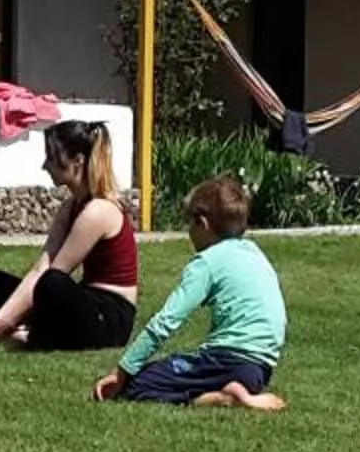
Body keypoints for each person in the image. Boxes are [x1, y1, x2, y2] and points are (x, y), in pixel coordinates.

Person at [92, 175, 288, 411]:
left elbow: (165, 322)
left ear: (202, 223)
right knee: (177, 369)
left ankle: (221, 398)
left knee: (136, 385)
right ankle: (239, 391)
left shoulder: (207, 262)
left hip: (224, 362)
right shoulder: (254, 253)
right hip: (258, 371)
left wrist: (122, 370)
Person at [0, 120, 139, 352]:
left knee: (52, 283)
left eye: (51, 158)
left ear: (78, 161)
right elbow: (40, 268)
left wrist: (7, 320)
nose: (45, 166)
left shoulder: (98, 211)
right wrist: (3, 317)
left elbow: (56, 272)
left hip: (111, 317)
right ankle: (34, 329)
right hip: (85, 299)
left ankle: (34, 336)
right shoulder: (70, 207)